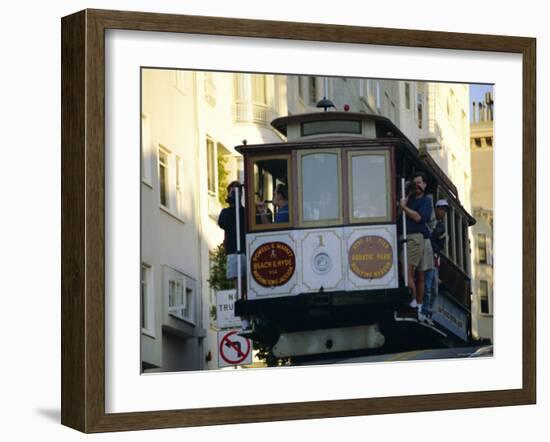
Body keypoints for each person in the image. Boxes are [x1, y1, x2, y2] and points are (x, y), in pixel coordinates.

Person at [399, 171, 433, 316]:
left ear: (424, 184)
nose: (417, 186)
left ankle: (416, 303)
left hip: (418, 239)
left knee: (416, 274)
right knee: (410, 273)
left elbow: (419, 218)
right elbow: (400, 208)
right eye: (415, 183)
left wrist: (404, 208)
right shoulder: (410, 199)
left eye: (419, 183)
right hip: (409, 238)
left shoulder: (426, 201)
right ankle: (415, 303)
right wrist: (406, 194)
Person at [217, 181, 246, 290]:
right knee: (237, 283)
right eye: (233, 192)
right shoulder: (226, 212)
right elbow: (223, 223)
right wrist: (232, 205)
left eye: (238, 192)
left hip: (245, 250)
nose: (235, 195)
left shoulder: (246, 212)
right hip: (233, 251)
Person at [423, 199, 448, 319]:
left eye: (444, 210)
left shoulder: (441, 226)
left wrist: (434, 247)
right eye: (441, 209)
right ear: (436, 209)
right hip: (427, 256)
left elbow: (440, 244)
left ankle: (429, 314)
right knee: (428, 285)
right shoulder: (430, 221)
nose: (443, 212)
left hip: (433, 258)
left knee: (433, 288)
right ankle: (425, 311)